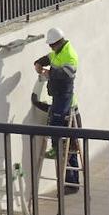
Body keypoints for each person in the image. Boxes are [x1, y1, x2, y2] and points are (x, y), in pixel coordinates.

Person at [35, 27, 80, 194]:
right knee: (69, 147)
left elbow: (68, 73)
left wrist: (49, 72)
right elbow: (49, 58)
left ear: (57, 42)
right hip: (59, 97)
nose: (50, 48)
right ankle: (71, 183)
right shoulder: (57, 52)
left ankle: (72, 183)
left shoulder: (70, 54)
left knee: (66, 141)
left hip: (66, 99)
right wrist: (39, 63)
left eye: (51, 45)